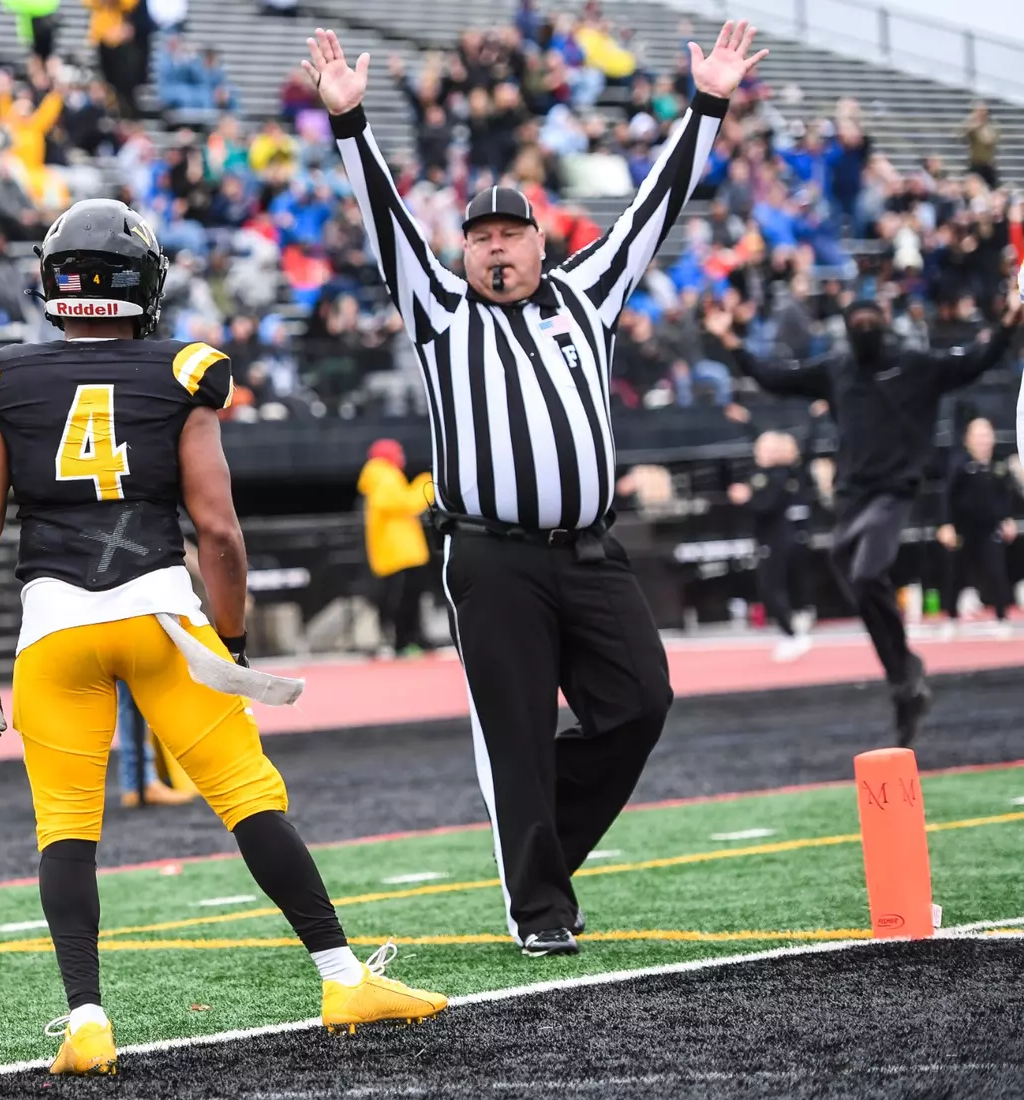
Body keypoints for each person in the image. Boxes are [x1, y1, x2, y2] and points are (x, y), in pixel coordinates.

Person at [0, 198, 446, 1076]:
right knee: (250, 798)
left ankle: (88, 1023)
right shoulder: (182, 371)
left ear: (51, 284)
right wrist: (235, 642)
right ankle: (340, 974)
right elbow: (219, 532)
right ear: (145, 283)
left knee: (66, 827)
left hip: (53, 625)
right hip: (160, 616)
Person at [307, 22, 767, 955]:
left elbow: (654, 209)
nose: (493, 250)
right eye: (479, 238)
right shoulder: (438, 310)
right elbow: (386, 219)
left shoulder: (588, 293)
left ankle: (541, 842)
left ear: (541, 241)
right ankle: (541, 911)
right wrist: (350, 124)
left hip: (591, 552)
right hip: (492, 555)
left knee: (641, 703)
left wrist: (708, 105)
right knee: (516, 736)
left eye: (509, 234)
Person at [727, 298, 1024, 745]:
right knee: (845, 564)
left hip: (894, 492)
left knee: (867, 573)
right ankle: (902, 675)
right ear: (848, 328)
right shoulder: (837, 369)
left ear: (885, 326)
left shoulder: (916, 365)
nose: (865, 327)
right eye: (857, 321)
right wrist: (732, 343)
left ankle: (903, 669)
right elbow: (773, 378)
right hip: (853, 496)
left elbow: (976, 362)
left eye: (871, 321)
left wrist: (1006, 326)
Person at [726, 426, 814, 661]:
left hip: (777, 536)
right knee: (769, 588)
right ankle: (789, 632)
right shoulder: (762, 473)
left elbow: (766, 505)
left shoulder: (780, 475)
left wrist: (746, 498)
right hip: (767, 536)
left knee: (770, 588)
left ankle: (792, 633)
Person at [937, 417, 1018, 627]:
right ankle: (952, 618)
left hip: (990, 529)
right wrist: (946, 524)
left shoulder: (999, 464)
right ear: (968, 440)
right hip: (963, 529)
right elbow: (947, 496)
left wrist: (1008, 519)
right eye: (978, 436)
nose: (983, 440)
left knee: (997, 571)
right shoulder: (960, 464)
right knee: (957, 574)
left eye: (986, 435)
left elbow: (1006, 496)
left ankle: (1002, 618)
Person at [357, 438, 434, 657]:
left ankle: (413, 639)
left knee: (408, 600)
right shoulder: (383, 474)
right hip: (400, 553)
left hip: (401, 552)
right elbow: (403, 503)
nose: (402, 456)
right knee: (405, 602)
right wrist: (425, 486)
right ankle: (405, 642)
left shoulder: (381, 475)